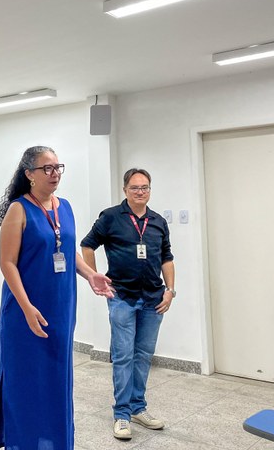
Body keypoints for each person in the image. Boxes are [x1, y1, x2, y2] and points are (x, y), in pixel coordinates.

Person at [0, 146, 112, 450]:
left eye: (58, 167)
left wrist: (90, 274)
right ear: (29, 174)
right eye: (47, 168)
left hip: (60, 308)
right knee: (26, 381)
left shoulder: (65, 207)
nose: (55, 173)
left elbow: (67, 251)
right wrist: (26, 307)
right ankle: (23, 443)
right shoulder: (19, 209)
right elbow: (7, 263)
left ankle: (56, 443)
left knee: (56, 381)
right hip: (24, 310)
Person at [80, 168, 175, 441]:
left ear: (150, 190)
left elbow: (167, 257)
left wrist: (170, 291)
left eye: (145, 187)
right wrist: (96, 278)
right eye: (135, 187)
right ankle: (121, 414)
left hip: (153, 300)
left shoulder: (158, 222)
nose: (140, 192)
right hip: (122, 297)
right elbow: (87, 245)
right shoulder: (111, 217)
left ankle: (137, 408)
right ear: (125, 190)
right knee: (123, 356)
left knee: (143, 356)